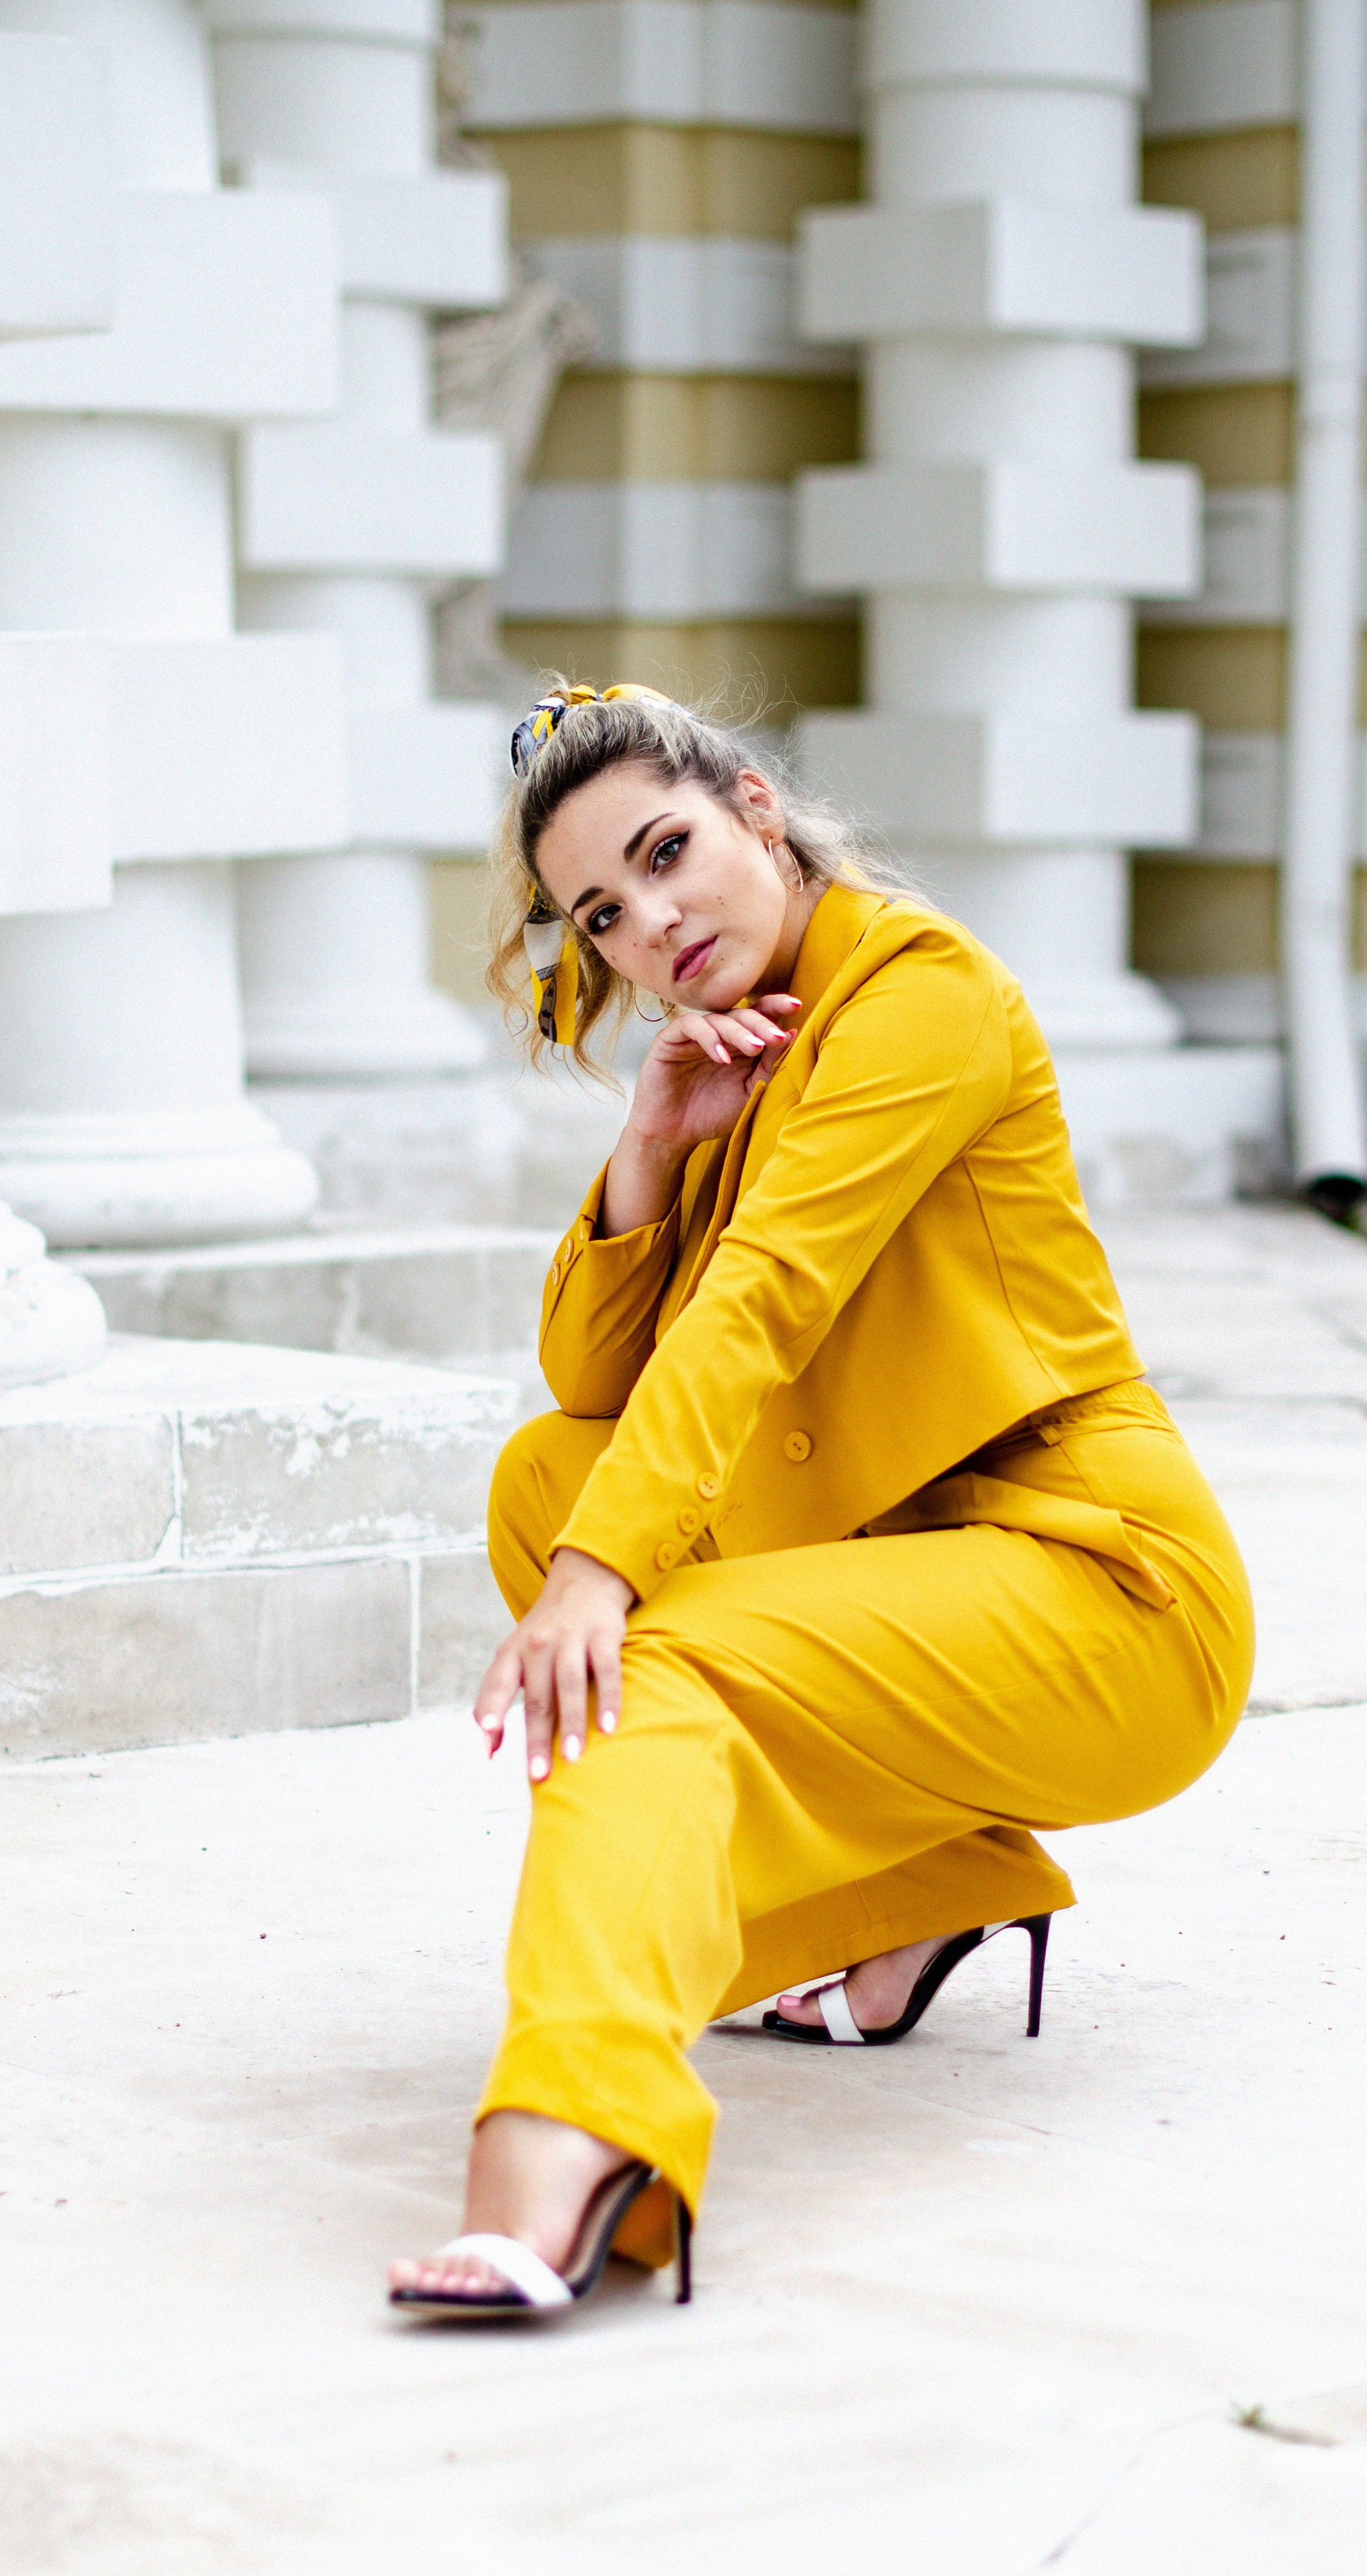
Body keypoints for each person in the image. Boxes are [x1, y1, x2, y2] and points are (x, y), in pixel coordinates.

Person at [388, 684, 1255, 2321]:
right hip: (917, 1560)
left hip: (1104, 1590)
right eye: (602, 912)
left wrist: (598, 1580)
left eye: (667, 854)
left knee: (637, 1640)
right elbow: (593, 1382)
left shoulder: (916, 994)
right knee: (547, 1485)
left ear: (756, 808)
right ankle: (929, 1891)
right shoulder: (730, 1057)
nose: (651, 922)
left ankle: (568, 2128)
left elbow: (764, 1302)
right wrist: (648, 1143)